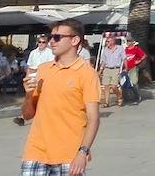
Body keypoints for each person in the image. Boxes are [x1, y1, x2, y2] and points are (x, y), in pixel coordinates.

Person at [19, 18, 100, 176]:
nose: (51, 42)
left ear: (75, 40)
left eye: (57, 38)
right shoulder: (43, 70)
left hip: (69, 155)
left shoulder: (87, 73)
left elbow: (94, 119)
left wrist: (82, 153)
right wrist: (28, 95)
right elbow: (28, 115)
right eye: (50, 37)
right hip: (36, 152)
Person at [98, 38, 126, 109]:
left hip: (115, 69)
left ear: (113, 41)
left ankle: (119, 96)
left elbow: (124, 59)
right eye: (106, 41)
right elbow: (103, 61)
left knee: (114, 86)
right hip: (107, 69)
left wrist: (126, 68)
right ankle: (106, 102)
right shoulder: (105, 50)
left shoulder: (120, 48)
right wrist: (100, 71)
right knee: (106, 86)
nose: (106, 42)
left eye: (108, 41)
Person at [121, 36, 146, 105]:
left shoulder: (136, 49)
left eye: (129, 41)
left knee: (134, 82)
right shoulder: (125, 50)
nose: (128, 42)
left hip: (133, 67)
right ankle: (125, 98)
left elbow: (144, 55)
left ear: (132, 42)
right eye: (127, 41)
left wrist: (139, 61)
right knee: (124, 83)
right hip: (125, 68)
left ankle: (137, 96)